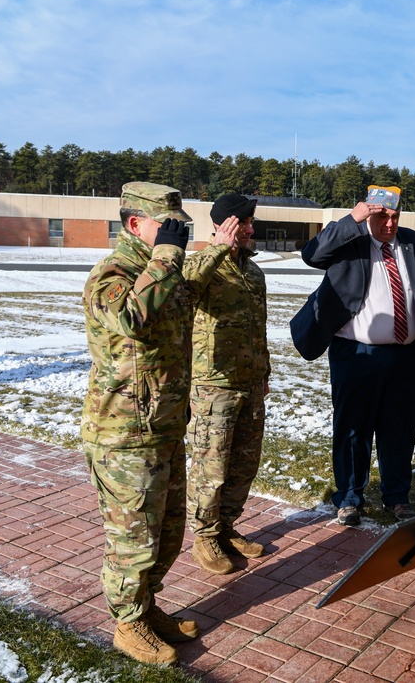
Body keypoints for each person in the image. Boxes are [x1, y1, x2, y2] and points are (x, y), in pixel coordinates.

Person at [81, 182, 237, 665]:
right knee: (133, 540)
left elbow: (186, 292)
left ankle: (147, 609)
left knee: (166, 533)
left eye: (179, 229)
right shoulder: (111, 274)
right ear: (134, 225)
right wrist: (167, 254)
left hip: (164, 426)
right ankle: (127, 626)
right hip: (123, 435)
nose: (176, 236)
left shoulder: (161, 272)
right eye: (166, 227)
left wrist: (212, 250)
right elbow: (131, 316)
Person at [290, 185, 415, 527]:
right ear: (368, 214)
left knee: (400, 428)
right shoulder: (350, 239)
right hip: (356, 353)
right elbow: (312, 254)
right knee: (352, 428)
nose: (389, 224)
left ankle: (397, 496)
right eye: (382, 217)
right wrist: (353, 219)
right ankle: (349, 498)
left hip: (405, 357)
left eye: (394, 216)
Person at [182, 193, 271, 575]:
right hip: (213, 384)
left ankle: (226, 527)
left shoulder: (253, 272)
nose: (248, 230)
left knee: (243, 463)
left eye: (250, 223)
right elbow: (182, 289)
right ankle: (204, 537)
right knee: (211, 466)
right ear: (219, 226)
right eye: (240, 224)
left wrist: (264, 374)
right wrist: (216, 249)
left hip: (249, 382)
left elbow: (259, 329)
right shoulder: (200, 265)